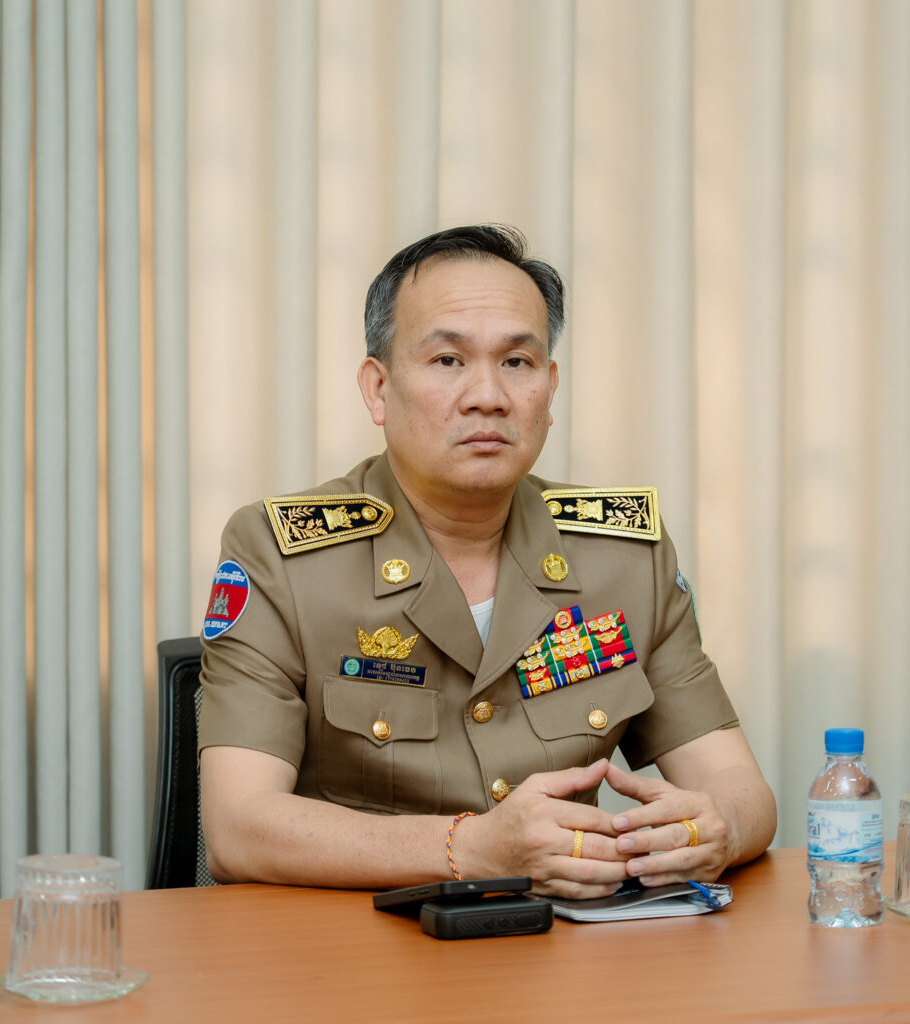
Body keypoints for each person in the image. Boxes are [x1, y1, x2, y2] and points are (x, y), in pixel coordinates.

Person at [198, 224, 776, 897]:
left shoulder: (624, 556)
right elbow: (237, 828)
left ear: (549, 389)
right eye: (448, 360)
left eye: (517, 362)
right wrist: (469, 849)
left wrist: (714, 830)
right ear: (378, 389)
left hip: (564, 940)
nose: (488, 395)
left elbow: (739, 787)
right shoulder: (280, 556)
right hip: (359, 940)